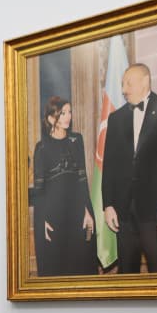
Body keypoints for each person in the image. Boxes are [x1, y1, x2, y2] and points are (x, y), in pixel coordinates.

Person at [101, 63, 157, 273]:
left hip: (156, 211)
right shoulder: (116, 118)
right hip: (123, 212)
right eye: (122, 84)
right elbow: (110, 164)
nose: (124, 89)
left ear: (145, 81)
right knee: (127, 275)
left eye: (128, 83)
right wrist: (108, 205)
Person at [29, 96, 98, 276]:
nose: (68, 116)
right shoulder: (41, 148)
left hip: (77, 212)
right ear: (51, 118)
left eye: (69, 112)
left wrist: (87, 211)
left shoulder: (77, 140)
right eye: (63, 113)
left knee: (81, 265)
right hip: (54, 216)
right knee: (57, 268)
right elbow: (39, 190)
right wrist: (42, 222)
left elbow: (82, 178)